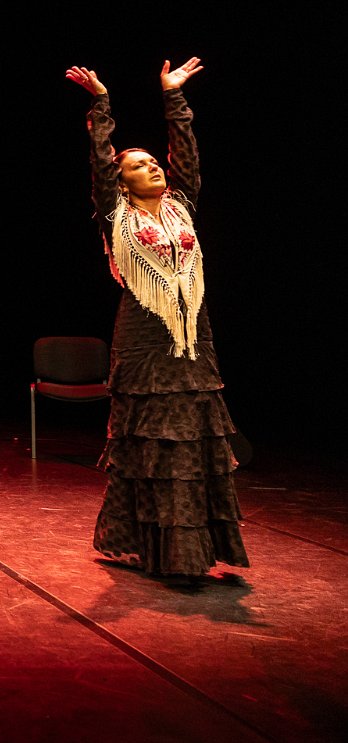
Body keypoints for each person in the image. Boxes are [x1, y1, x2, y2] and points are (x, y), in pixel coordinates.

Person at [67, 58, 248, 581]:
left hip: (193, 338)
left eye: (153, 163)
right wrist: (101, 103)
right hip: (145, 339)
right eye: (138, 166)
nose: (152, 169)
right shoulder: (115, 212)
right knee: (151, 447)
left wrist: (174, 97)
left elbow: (186, 155)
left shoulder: (182, 204)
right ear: (121, 184)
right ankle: (154, 548)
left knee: (192, 444)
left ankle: (191, 550)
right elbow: (100, 161)